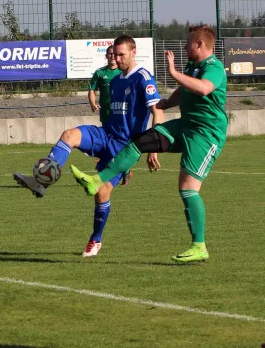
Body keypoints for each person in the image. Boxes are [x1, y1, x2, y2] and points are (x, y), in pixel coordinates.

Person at [70, 25, 227, 263]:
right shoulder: (193, 67)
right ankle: (97, 180)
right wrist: (165, 103)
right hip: (185, 126)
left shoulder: (214, 68)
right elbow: (184, 90)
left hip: (206, 135)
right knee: (140, 142)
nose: (185, 46)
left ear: (199, 44)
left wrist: (173, 72)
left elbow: (204, 89)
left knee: (187, 189)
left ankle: (199, 245)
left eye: (188, 43)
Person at [13, 35, 163, 257]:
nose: (117, 58)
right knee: (69, 135)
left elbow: (157, 112)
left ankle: (96, 240)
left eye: (122, 54)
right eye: (115, 54)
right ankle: (40, 182)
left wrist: (152, 148)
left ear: (133, 52)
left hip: (124, 147)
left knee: (102, 192)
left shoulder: (143, 78)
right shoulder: (115, 81)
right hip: (105, 134)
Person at [88, 45, 133, 186]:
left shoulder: (123, 72)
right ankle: (122, 170)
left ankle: (113, 166)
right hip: (106, 114)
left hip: (121, 114)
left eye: (114, 54)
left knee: (119, 141)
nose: (112, 56)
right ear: (106, 56)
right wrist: (93, 103)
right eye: (109, 54)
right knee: (109, 140)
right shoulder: (100, 73)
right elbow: (91, 89)